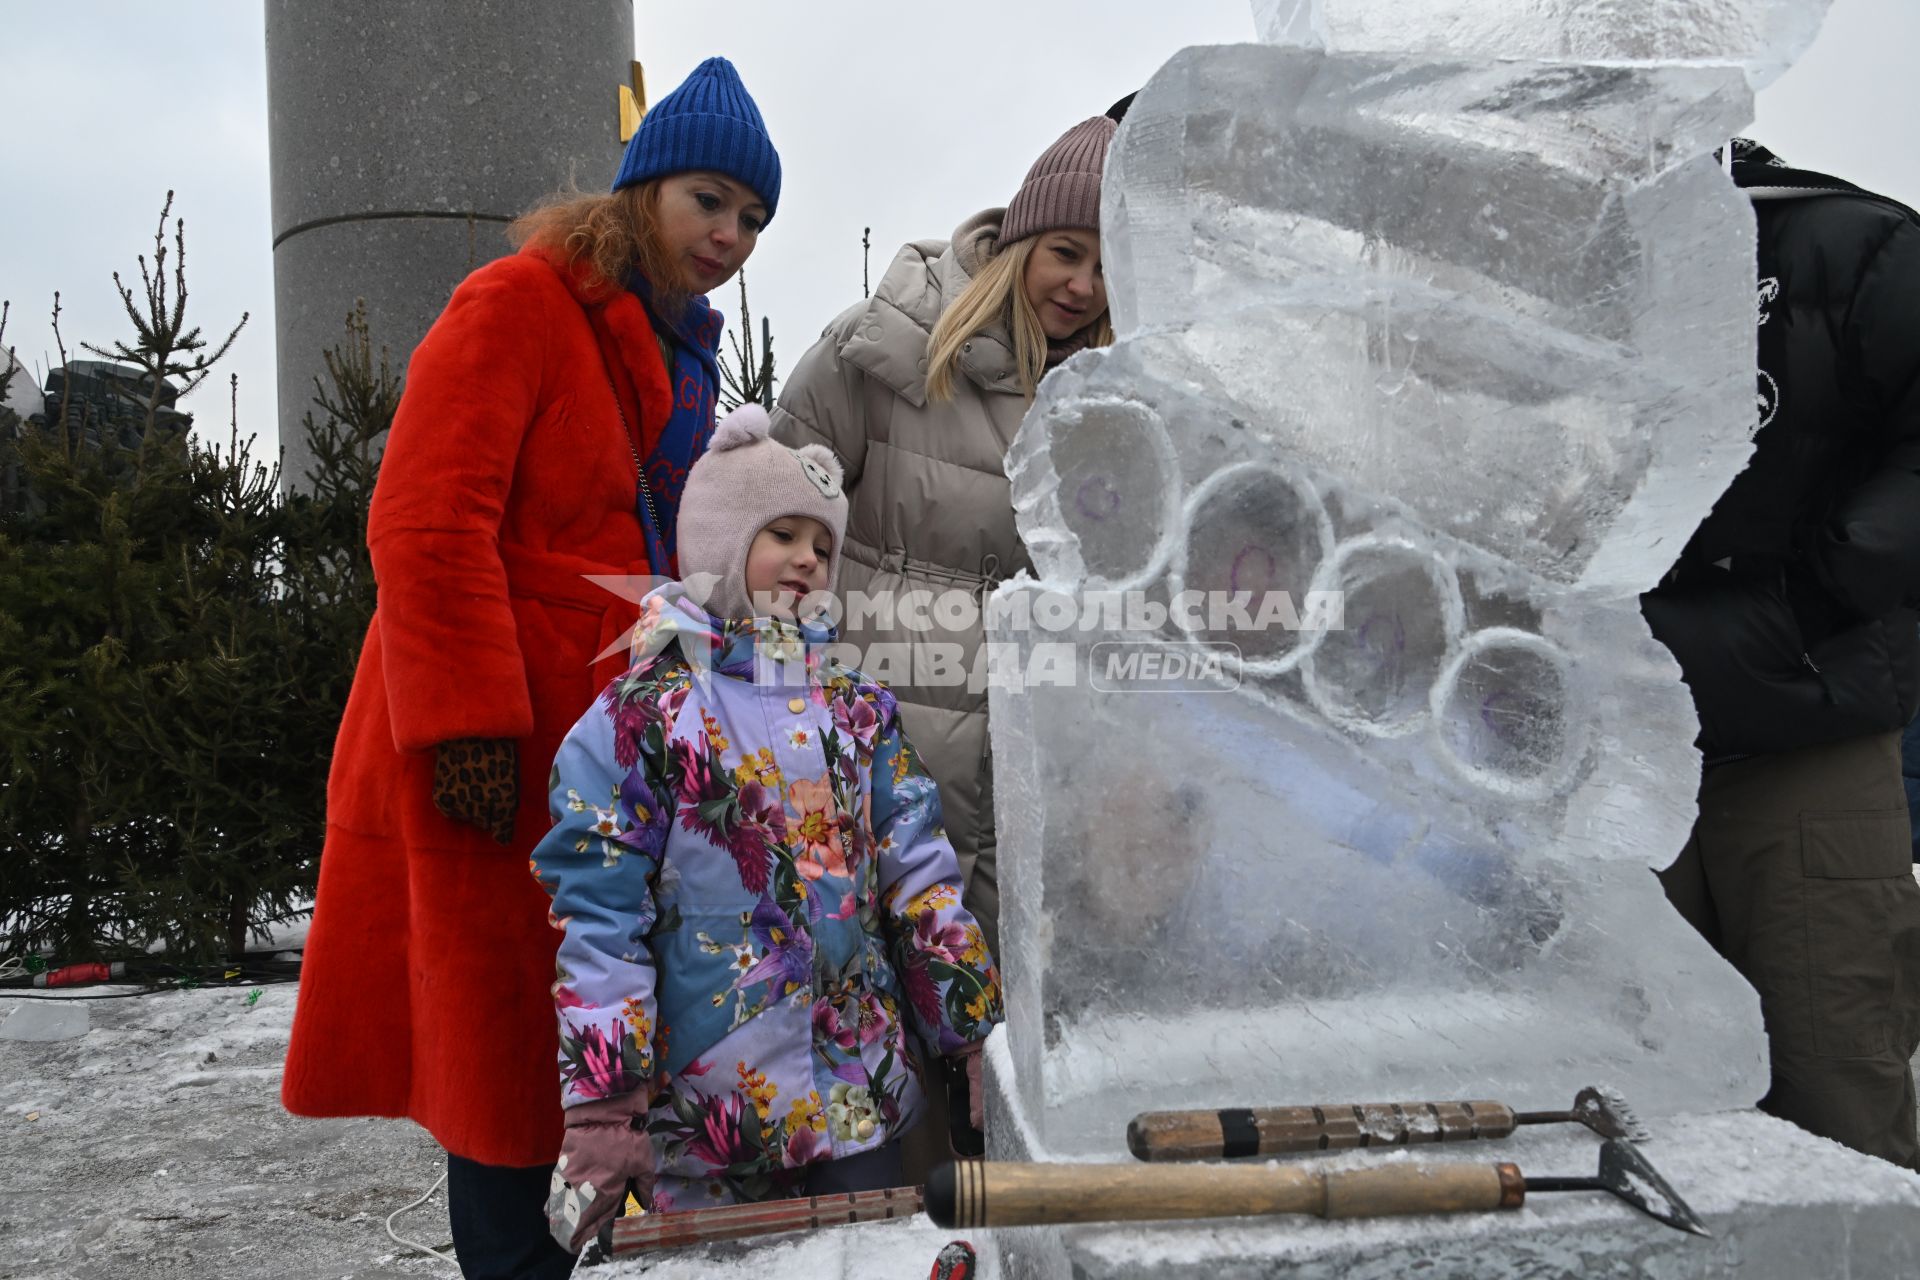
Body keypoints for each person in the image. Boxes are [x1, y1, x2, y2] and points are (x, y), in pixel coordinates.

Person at [280, 56, 781, 1278]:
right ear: (645, 186)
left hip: (600, 750)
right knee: (500, 1071)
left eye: (754, 220)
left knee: (576, 1045)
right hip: (490, 747)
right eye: (709, 200)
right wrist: (465, 730)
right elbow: (424, 517)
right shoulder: (518, 302)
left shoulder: (670, 350)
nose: (729, 237)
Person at [533, 404, 1001, 1254]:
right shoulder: (644, 719)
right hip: (707, 1122)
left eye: (822, 546)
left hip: (859, 1103)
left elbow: (920, 880)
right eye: (782, 534)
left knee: (865, 1264)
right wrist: (605, 1107)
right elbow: (602, 925)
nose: (807, 561)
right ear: (718, 544)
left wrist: (971, 1036)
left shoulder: (858, 712)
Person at [770, 115, 1120, 960]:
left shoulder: (1112, 397)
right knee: (865, 996)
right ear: (1020, 239)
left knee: (987, 1008)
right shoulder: (891, 343)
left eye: (1109, 265)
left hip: (1024, 749)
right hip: (875, 725)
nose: (1082, 284)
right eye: (1066, 251)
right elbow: (774, 511)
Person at [1642, 139, 1920, 1170]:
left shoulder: (1855, 242)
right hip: (1628, 753)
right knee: (1654, 1104)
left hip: (1807, 732)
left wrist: (1814, 599)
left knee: (1836, 1082)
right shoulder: (1565, 263)